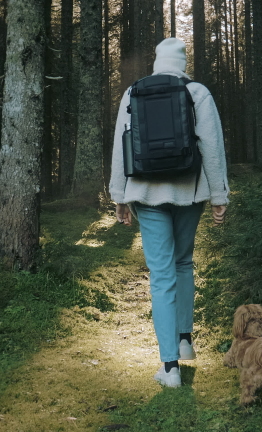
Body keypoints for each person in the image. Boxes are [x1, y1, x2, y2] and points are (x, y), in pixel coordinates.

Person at [109, 37, 230, 388]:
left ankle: (170, 368)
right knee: (184, 263)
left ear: (157, 62)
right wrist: (219, 195)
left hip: (145, 193)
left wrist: (119, 196)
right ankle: (185, 340)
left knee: (161, 275)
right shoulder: (197, 91)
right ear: (183, 62)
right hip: (189, 191)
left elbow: (122, 145)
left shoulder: (133, 92)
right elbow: (212, 145)